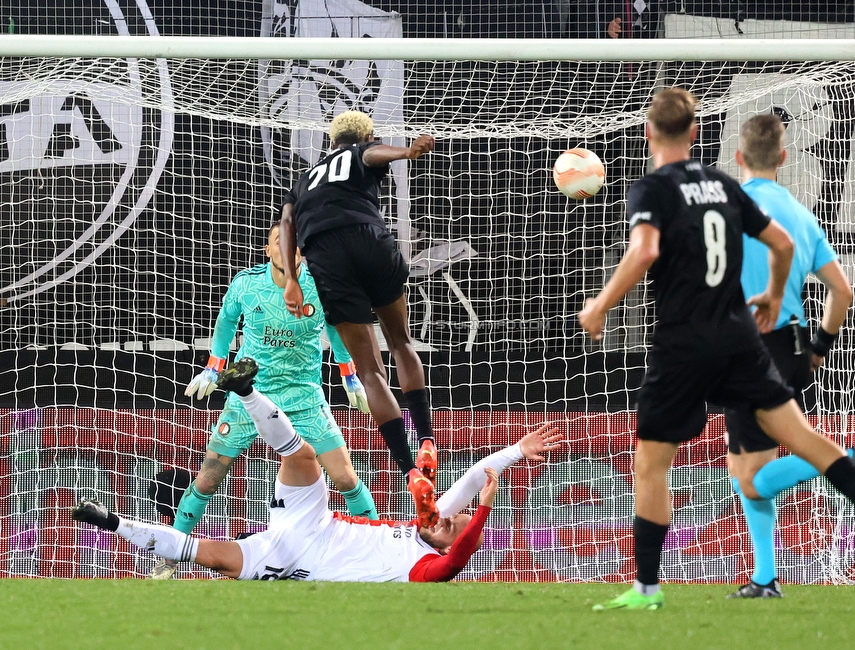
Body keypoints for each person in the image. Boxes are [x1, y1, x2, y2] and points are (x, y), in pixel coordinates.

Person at [578, 87, 855, 611]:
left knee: (653, 466)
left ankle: (647, 589)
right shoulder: (722, 185)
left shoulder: (653, 189)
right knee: (799, 439)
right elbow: (782, 245)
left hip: (683, 344)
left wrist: (600, 305)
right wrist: (777, 295)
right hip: (743, 336)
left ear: (650, 133)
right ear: (696, 134)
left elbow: (645, 249)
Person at [72, 357, 565, 582]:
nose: (443, 517)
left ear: (450, 545)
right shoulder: (429, 527)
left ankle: (110, 523)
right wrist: (517, 452)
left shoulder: (426, 569)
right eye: (449, 516)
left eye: (450, 525)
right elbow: (474, 474)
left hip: (287, 560)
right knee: (303, 454)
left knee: (203, 556)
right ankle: (245, 391)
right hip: (312, 523)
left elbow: (458, 560)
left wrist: (478, 515)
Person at [151, 223, 376, 580]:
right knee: (208, 479)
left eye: (295, 245)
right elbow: (225, 324)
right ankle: (170, 556)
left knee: (346, 478)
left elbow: (335, 330)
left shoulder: (321, 287)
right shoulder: (246, 283)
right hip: (247, 392)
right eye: (279, 243)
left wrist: (349, 376)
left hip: (303, 395)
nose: (287, 249)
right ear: (268, 250)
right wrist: (213, 368)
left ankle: (379, 552)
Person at [724, 113, 855, 599]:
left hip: (747, 347)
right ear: (783, 157)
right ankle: (764, 578)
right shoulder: (801, 213)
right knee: (749, 470)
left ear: (738, 158)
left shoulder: (731, 210)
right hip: (793, 347)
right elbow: (843, 292)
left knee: (751, 478)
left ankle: (847, 463)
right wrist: (818, 348)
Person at [278, 110, 441, 527]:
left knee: (369, 371)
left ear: (328, 142)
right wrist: (406, 150)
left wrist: (292, 281)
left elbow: (286, 224)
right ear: (364, 135)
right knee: (402, 342)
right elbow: (371, 157)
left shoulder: (305, 178)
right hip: (368, 238)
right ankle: (425, 439)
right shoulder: (360, 152)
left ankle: (408, 469)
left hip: (326, 257)